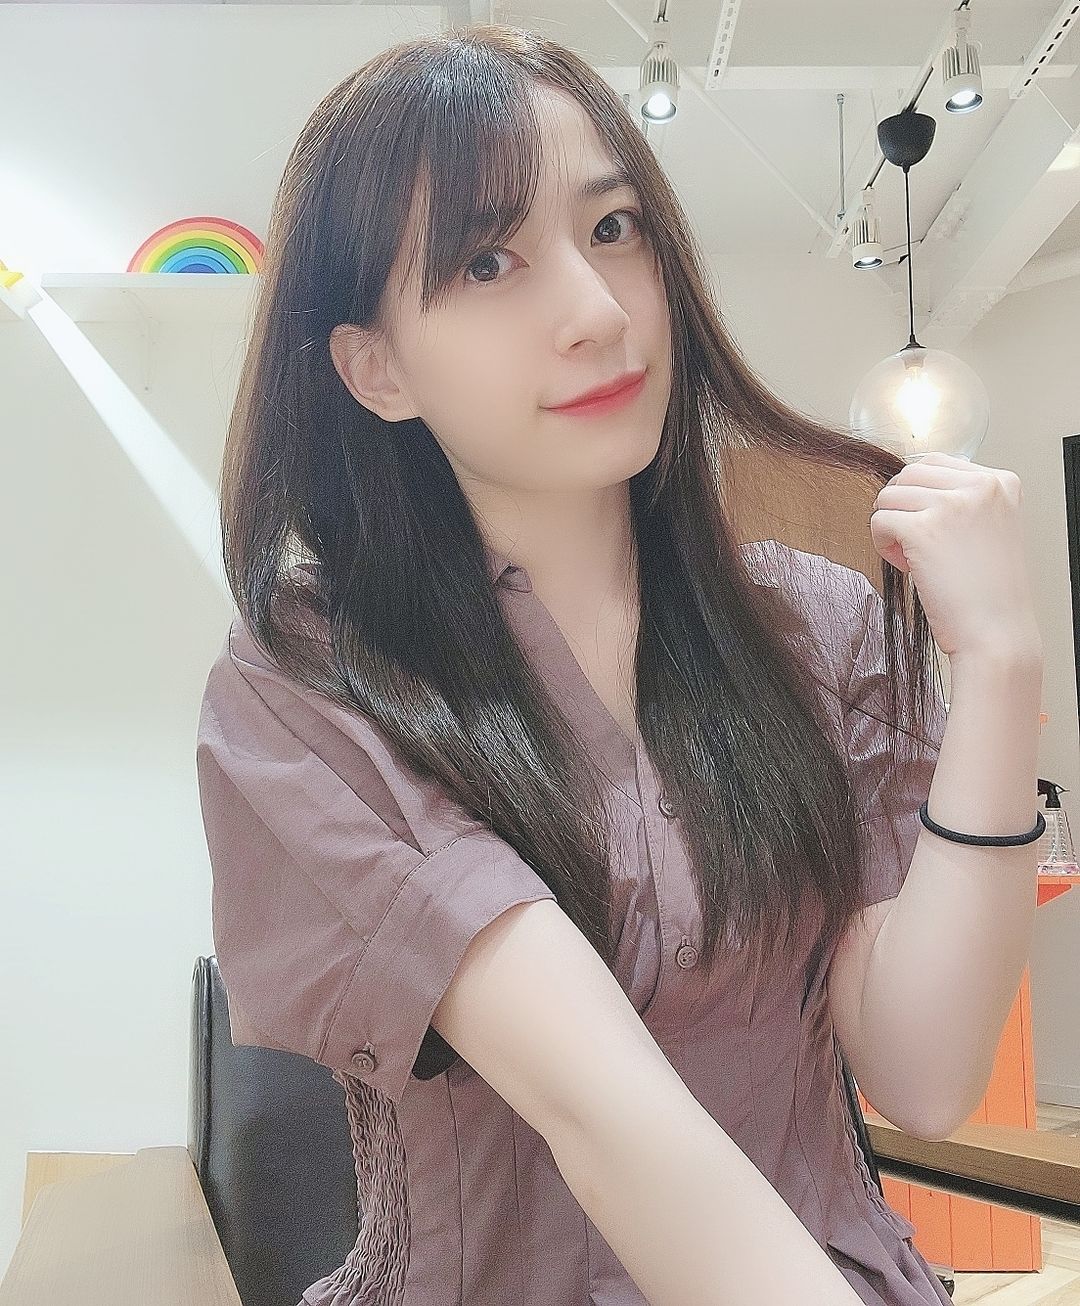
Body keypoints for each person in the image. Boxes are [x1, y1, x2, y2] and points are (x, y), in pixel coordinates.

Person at [195, 22, 1043, 1306]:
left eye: (613, 229)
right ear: (376, 368)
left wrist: (1002, 666)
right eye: (487, 262)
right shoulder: (314, 688)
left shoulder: (810, 631)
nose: (599, 312)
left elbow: (924, 1074)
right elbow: (604, 1116)